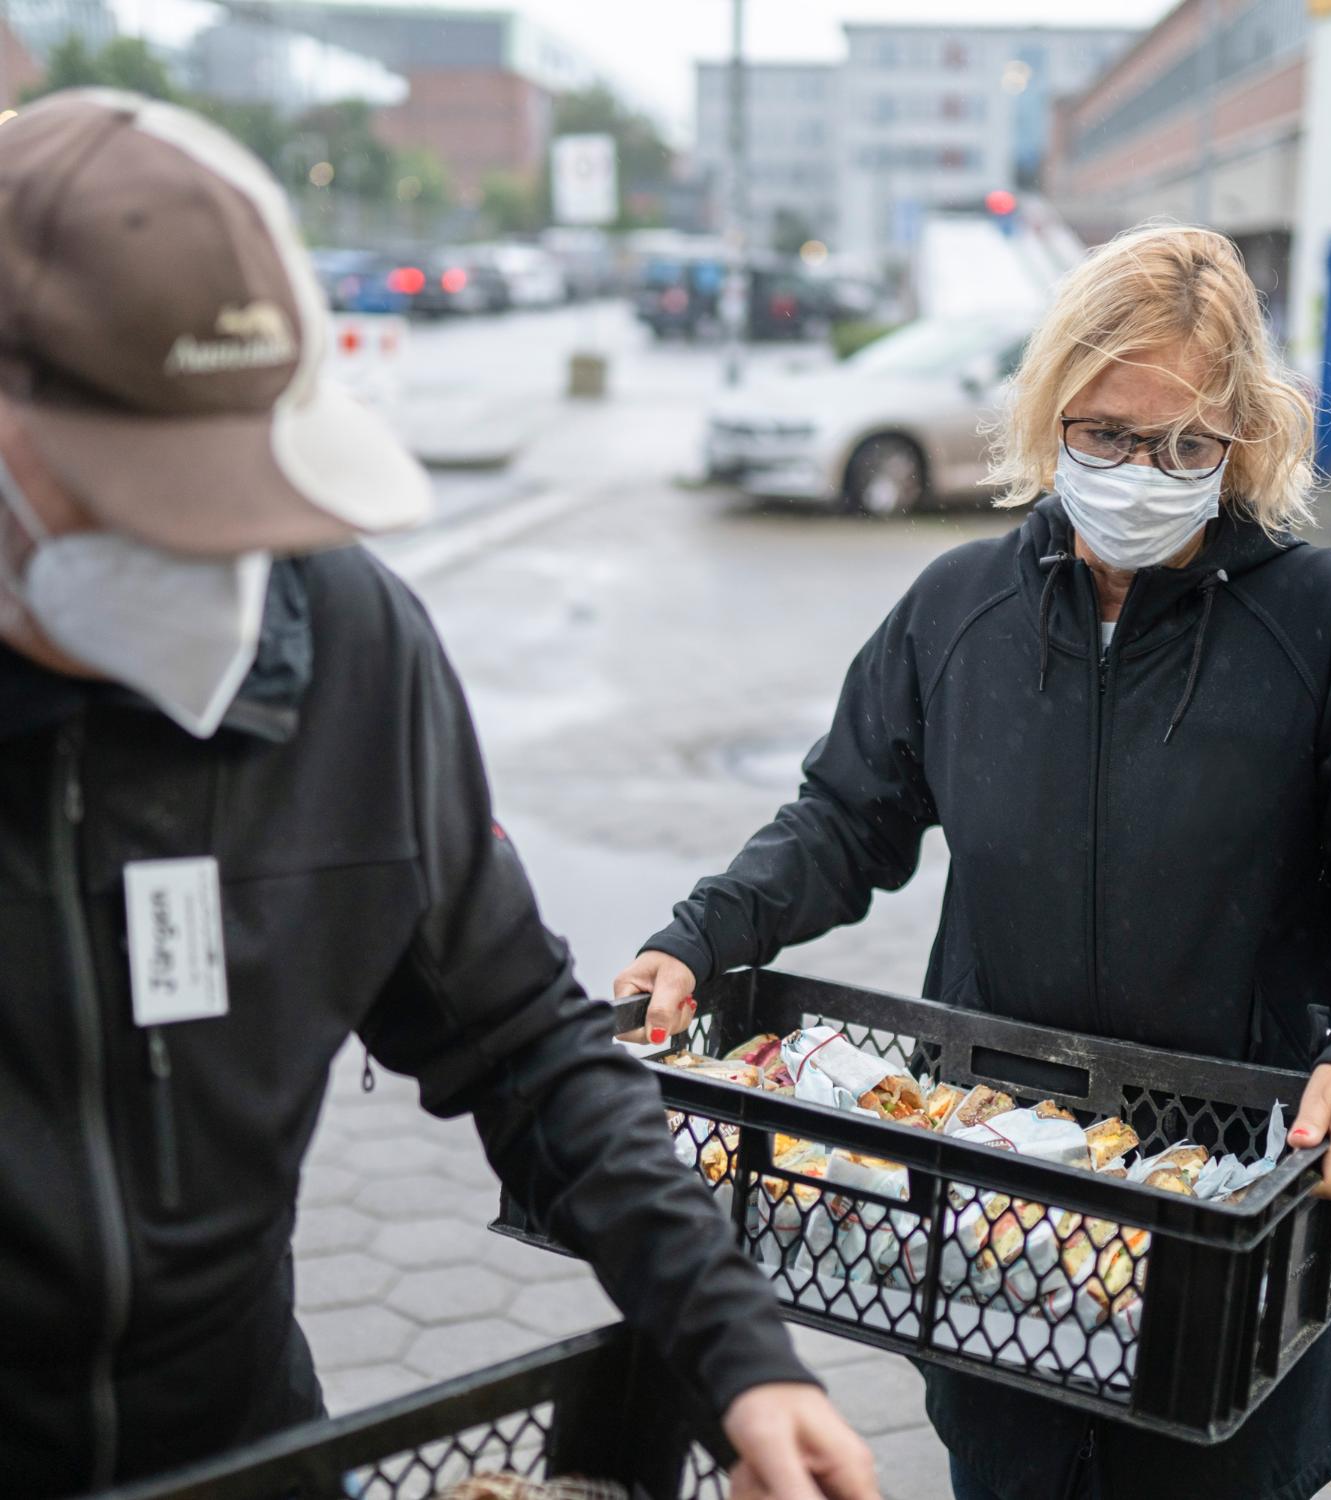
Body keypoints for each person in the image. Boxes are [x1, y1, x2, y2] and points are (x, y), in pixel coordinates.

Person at [0, 91, 877, 1500]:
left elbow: (524, 1036)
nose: (227, 566)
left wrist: (736, 1346)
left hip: (249, 1442)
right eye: (167, 503)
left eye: (251, 498)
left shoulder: (350, 642)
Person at [616, 225, 1331, 1500]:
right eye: (1107, 434)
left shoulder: (1328, 623)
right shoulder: (956, 608)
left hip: (1224, 1205)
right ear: (1049, 413)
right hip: (993, 1188)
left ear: (1245, 435)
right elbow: (844, 816)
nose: (1146, 471)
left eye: (1187, 442)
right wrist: (700, 934)